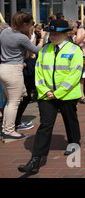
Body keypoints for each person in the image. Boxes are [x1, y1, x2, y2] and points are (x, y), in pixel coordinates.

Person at [18, 19, 83, 174]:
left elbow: (75, 74)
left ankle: (74, 142)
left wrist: (58, 93)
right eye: (51, 33)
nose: (52, 36)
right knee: (45, 125)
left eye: (56, 33)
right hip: (46, 95)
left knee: (70, 119)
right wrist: (45, 90)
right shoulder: (44, 49)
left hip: (67, 95)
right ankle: (36, 159)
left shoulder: (75, 50)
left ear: (66, 34)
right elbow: (39, 72)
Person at [0, 12, 43, 143]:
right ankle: (9, 132)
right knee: (14, 102)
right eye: (31, 24)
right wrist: (42, 39)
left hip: (3, 68)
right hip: (13, 70)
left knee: (10, 101)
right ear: (24, 24)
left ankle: (6, 128)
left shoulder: (5, 32)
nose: (32, 26)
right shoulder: (21, 38)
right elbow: (36, 50)